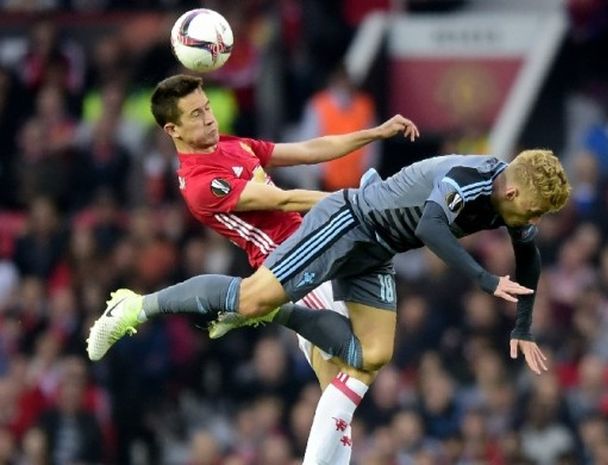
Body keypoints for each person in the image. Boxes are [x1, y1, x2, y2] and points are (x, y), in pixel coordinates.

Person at [89, 149, 569, 461]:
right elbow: (430, 228)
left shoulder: (513, 197)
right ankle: (137, 306)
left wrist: (522, 327)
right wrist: (486, 280)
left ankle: (282, 315)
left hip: (377, 250)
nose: (534, 219)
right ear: (512, 191)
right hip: (348, 223)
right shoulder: (467, 180)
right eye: (534, 209)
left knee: (371, 357)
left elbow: (529, 256)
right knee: (253, 295)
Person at [88, 73, 420, 465]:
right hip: (291, 264)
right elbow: (282, 201)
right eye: (196, 115)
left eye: (208, 108)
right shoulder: (200, 183)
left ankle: (259, 310)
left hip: (320, 250)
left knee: (343, 388)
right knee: (358, 367)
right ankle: (237, 307)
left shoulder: (232, 144)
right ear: (172, 129)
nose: (209, 119)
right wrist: (357, 203)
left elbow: (311, 148)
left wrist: (374, 134)